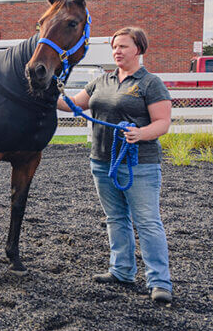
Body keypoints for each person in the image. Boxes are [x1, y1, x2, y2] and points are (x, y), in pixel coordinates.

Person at [58, 27, 173, 305]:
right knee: (115, 219)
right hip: (101, 161)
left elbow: (162, 122)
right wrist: (47, 92)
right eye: (114, 47)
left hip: (139, 165)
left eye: (123, 46)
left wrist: (141, 133)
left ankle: (159, 282)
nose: (117, 51)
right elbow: (73, 105)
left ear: (138, 49)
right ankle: (121, 271)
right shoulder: (102, 81)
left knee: (147, 222)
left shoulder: (149, 83)